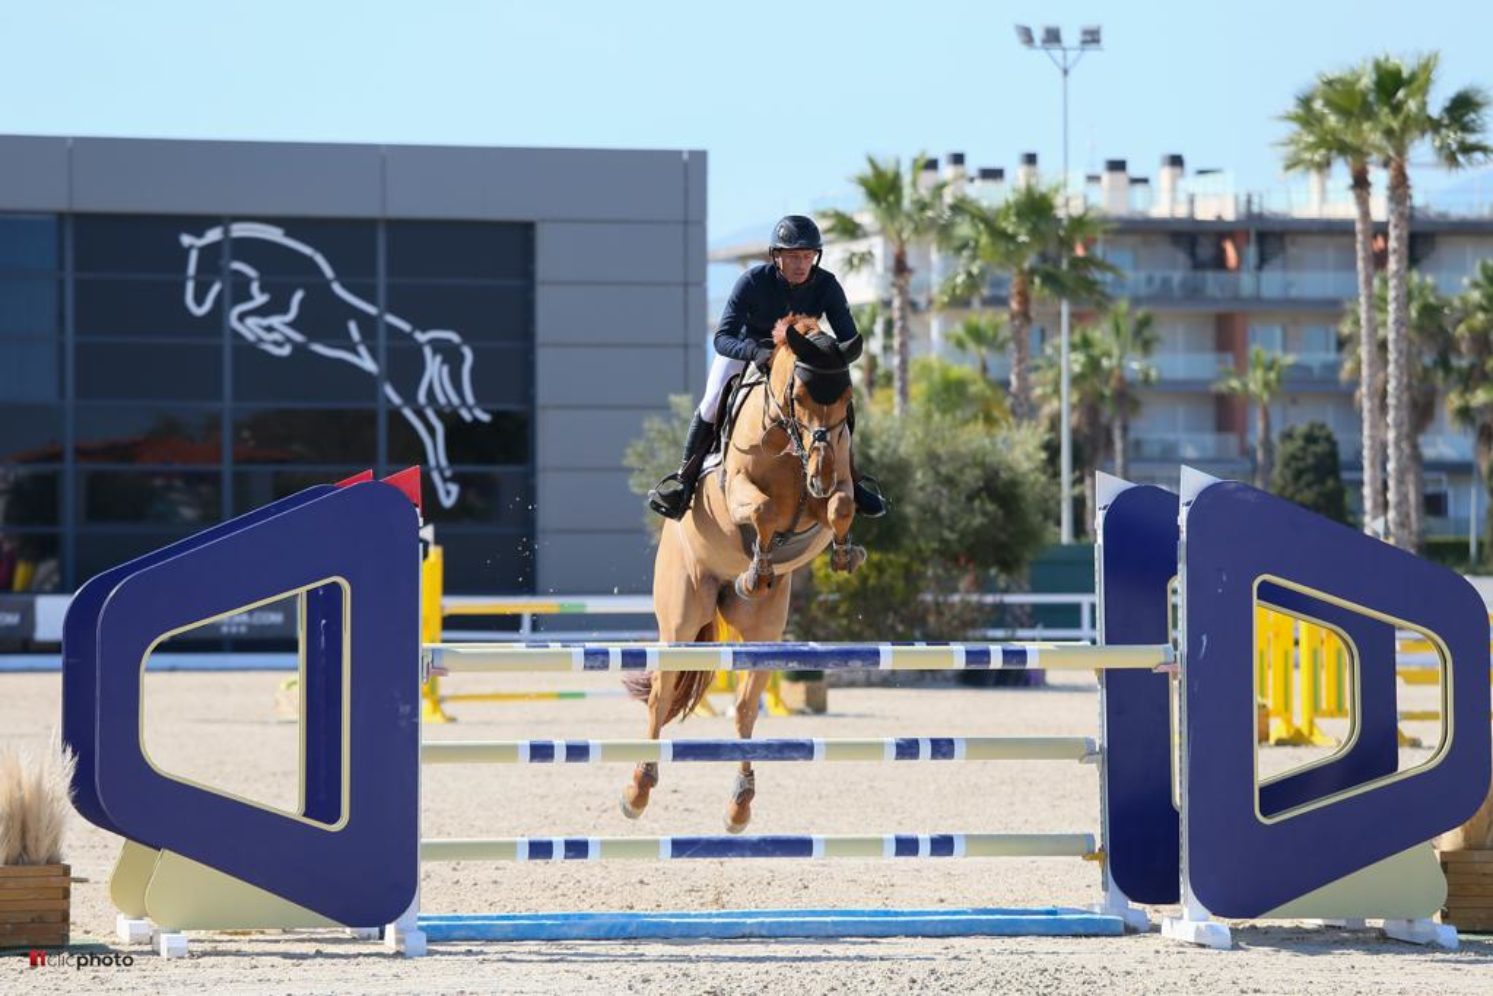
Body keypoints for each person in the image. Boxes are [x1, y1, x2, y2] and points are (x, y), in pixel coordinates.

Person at [647, 214, 888, 521]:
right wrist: (754, 351)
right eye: (793, 257)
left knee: (837, 404)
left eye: (807, 256)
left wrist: (834, 357)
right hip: (749, 351)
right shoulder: (752, 281)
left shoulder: (827, 285)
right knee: (710, 403)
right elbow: (723, 338)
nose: (801, 264)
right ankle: (684, 482)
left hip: (799, 359)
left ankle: (851, 478)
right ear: (777, 257)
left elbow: (847, 337)